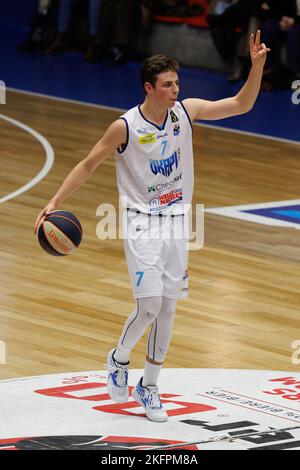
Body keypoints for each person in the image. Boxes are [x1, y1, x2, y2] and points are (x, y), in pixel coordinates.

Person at [34, 32, 269, 422]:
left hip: (178, 223)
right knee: (149, 307)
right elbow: (89, 163)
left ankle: (150, 385)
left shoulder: (187, 112)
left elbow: (241, 104)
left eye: (177, 82)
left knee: (169, 310)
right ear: (149, 87)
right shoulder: (124, 127)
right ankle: (119, 357)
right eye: (168, 84)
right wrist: (55, 201)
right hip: (142, 224)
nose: (176, 89)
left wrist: (257, 67)